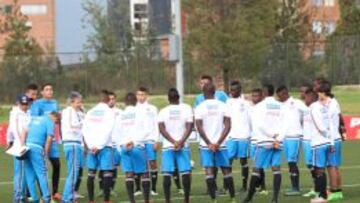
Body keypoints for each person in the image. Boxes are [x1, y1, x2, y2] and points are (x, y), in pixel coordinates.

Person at [243, 84, 285, 203]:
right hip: (278, 142)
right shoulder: (280, 105)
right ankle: (275, 199)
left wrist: (271, 136)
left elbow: (260, 125)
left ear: (264, 92)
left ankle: (249, 198)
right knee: (276, 169)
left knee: (256, 169)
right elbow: (285, 124)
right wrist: (278, 139)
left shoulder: (259, 106)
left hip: (263, 141)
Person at [195, 83, 235, 203]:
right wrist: (218, 142)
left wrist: (209, 143)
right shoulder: (223, 106)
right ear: (215, 92)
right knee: (226, 170)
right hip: (221, 145)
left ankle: (214, 200)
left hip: (205, 145)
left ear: (203, 93)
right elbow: (228, 126)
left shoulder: (200, 107)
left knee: (209, 172)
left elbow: (199, 127)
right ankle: (233, 199)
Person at [114, 92, 151, 203]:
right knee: (144, 173)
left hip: (125, 147)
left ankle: (132, 200)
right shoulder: (141, 113)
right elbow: (147, 130)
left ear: (125, 103)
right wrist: (134, 142)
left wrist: (121, 148)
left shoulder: (120, 115)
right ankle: (146, 200)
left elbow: (115, 134)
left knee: (129, 174)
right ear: (136, 101)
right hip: (137, 146)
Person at [158, 88, 193, 203]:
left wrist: (173, 142)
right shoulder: (186, 109)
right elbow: (189, 127)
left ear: (168, 99)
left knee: (167, 173)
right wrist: (181, 141)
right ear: (178, 97)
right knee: (185, 172)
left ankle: (168, 200)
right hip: (183, 146)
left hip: (168, 146)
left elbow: (162, 129)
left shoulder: (163, 111)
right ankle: (186, 200)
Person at [82, 90, 116, 203]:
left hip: (92, 147)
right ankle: (106, 200)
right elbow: (108, 130)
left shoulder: (90, 112)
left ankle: (91, 200)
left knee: (91, 173)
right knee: (107, 173)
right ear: (107, 100)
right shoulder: (110, 112)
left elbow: (84, 130)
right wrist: (100, 145)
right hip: (104, 147)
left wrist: (91, 145)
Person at [30, 83, 61, 201]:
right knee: (42, 168)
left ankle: (55, 192)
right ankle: (44, 195)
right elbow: (35, 120)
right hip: (42, 140)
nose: (49, 91)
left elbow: (57, 120)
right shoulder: (38, 103)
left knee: (57, 164)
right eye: (47, 89)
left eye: (51, 89)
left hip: (52, 139)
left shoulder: (55, 103)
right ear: (42, 92)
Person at [21, 111, 60, 203]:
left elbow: (24, 131)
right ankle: (47, 198)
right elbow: (49, 139)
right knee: (42, 174)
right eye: (56, 122)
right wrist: (46, 155)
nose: (55, 124)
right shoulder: (50, 122)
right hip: (37, 148)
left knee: (29, 174)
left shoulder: (35, 119)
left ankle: (34, 198)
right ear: (55, 117)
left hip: (26, 146)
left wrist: (23, 145)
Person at [276, 85, 307, 196]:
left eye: (280, 96)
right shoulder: (279, 105)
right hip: (285, 138)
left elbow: (307, 113)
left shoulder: (297, 102)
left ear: (285, 93)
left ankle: (296, 188)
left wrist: (303, 127)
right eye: (278, 96)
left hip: (295, 136)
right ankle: (294, 187)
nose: (279, 98)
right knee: (289, 162)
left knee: (292, 162)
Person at [6, 95, 36, 203]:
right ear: (18, 103)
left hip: (29, 144)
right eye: (23, 104)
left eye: (26, 103)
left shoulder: (28, 112)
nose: (25, 106)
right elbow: (13, 129)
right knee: (20, 172)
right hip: (20, 145)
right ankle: (17, 197)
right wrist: (15, 143)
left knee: (27, 171)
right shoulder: (15, 113)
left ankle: (22, 196)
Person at [308, 84, 334, 203]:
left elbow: (320, 126)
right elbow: (330, 125)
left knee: (319, 170)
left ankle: (322, 197)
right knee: (321, 169)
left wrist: (325, 136)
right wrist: (331, 141)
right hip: (327, 143)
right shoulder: (325, 107)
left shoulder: (314, 107)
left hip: (319, 142)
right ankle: (323, 194)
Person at [226, 81, 251, 191]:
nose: (231, 92)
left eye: (234, 89)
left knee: (243, 161)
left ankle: (244, 185)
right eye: (230, 90)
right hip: (231, 136)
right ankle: (227, 185)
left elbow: (251, 118)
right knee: (228, 160)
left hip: (243, 136)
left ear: (239, 90)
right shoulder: (227, 102)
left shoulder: (246, 103)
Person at [135, 87, 160, 196]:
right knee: (139, 163)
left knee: (152, 163)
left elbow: (156, 124)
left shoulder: (153, 108)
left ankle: (153, 188)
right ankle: (138, 189)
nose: (141, 97)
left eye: (143, 94)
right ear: (136, 96)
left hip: (150, 139)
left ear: (147, 95)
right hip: (138, 141)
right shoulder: (133, 108)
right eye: (139, 95)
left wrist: (157, 140)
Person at [61, 92, 85, 203]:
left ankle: (69, 196)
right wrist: (84, 123)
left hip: (76, 144)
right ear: (72, 102)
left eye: (81, 102)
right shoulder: (69, 111)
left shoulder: (77, 112)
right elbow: (72, 126)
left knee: (74, 171)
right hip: (72, 143)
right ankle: (67, 198)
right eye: (78, 102)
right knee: (74, 172)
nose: (80, 104)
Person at [249, 88, 267, 195]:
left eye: (257, 96)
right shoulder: (250, 108)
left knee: (259, 165)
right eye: (253, 96)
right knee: (256, 165)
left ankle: (262, 187)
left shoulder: (264, 109)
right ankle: (259, 186)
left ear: (262, 97)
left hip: (262, 140)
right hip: (253, 140)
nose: (255, 98)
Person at [302, 89, 319, 198]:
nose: (305, 100)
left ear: (312, 98)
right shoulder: (305, 109)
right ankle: (316, 187)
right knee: (309, 164)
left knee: (317, 165)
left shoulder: (317, 108)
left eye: (306, 98)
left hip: (314, 141)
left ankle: (320, 188)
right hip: (306, 140)